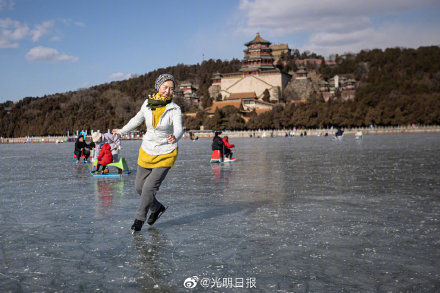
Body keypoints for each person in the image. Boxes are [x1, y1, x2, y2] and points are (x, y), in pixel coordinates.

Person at [112, 73, 183, 233]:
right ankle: (157, 208)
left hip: (166, 151)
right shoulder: (147, 104)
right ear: (158, 86)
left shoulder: (174, 109)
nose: (168, 91)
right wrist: (122, 131)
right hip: (148, 149)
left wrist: (175, 136)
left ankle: (139, 218)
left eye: (171, 89)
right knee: (139, 187)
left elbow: (179, 128)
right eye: (165, 87)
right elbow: (137, 120)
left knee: (149, 187)